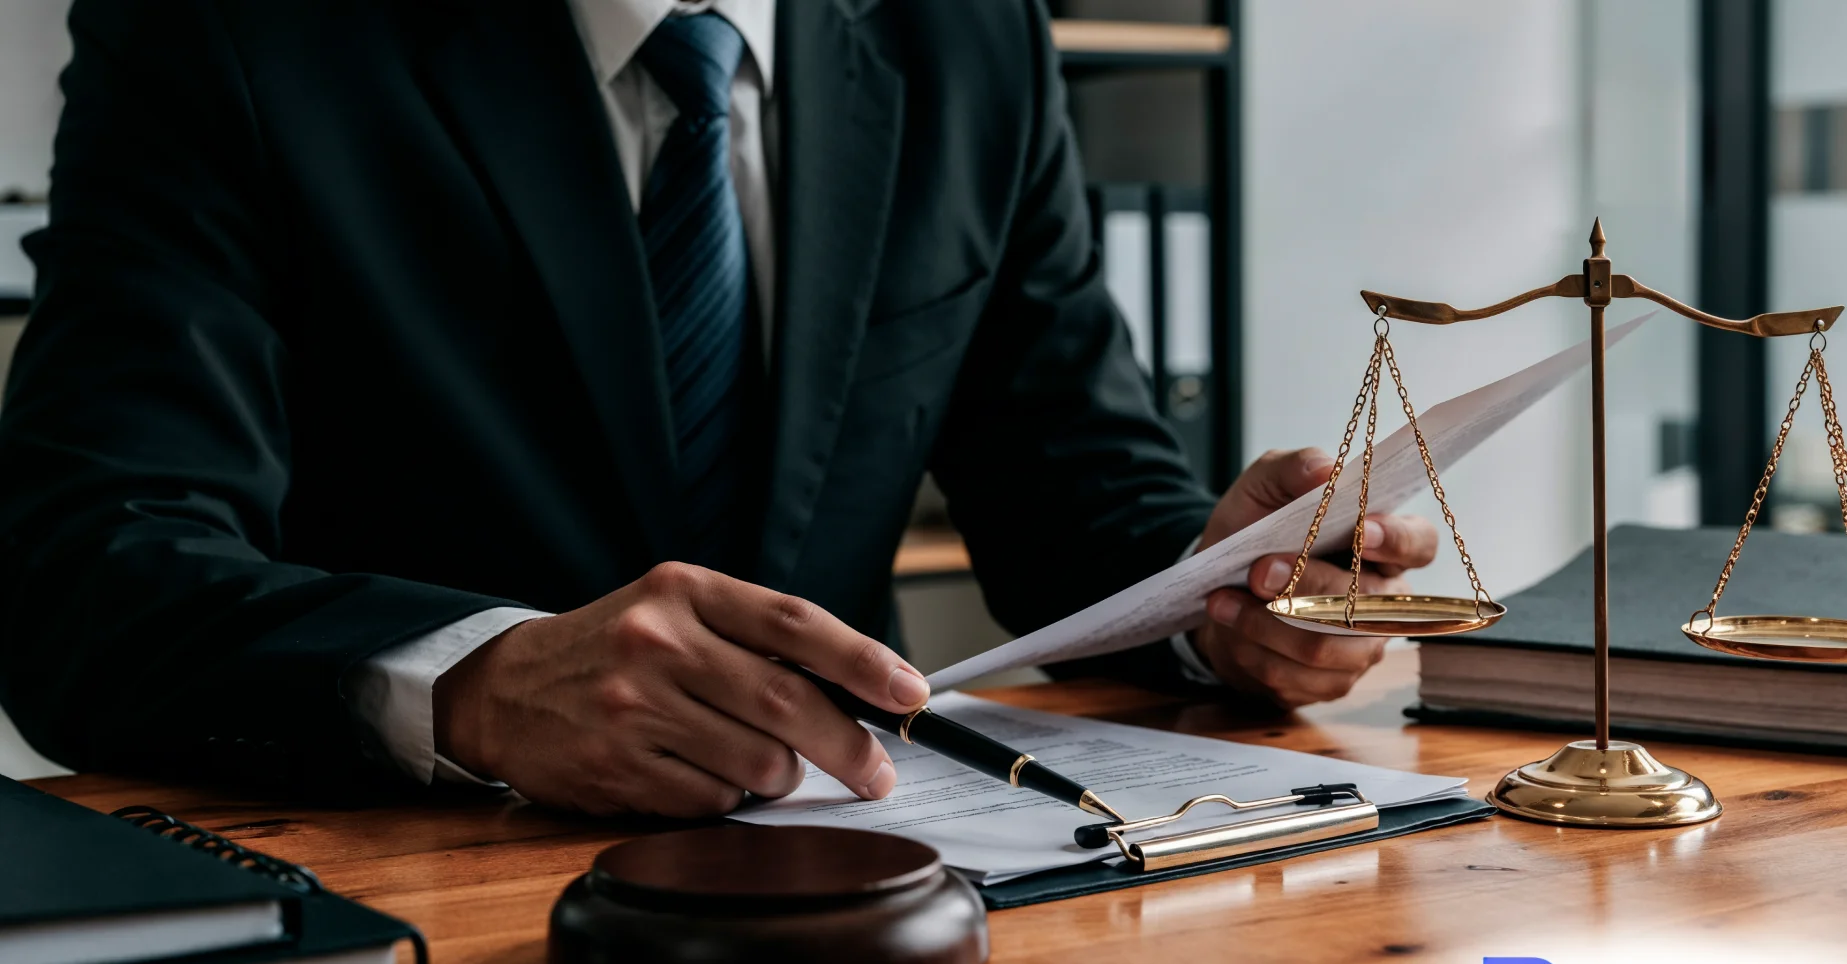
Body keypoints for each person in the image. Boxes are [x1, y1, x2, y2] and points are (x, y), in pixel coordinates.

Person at [0, 0, 1436, 815]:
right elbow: (88, 579)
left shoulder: (966, 33)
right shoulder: (223, 29)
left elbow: (1074, 483)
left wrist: (1225, 594)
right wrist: (475, 681)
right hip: (417, 884)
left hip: (874, 866)